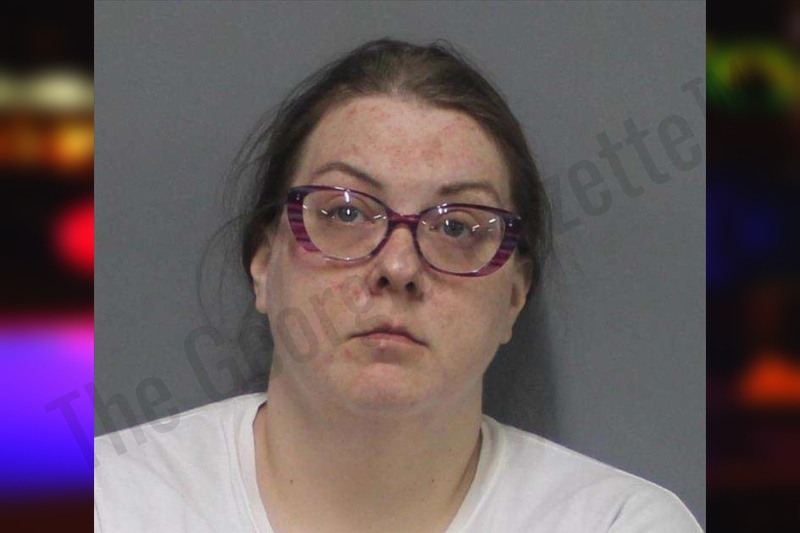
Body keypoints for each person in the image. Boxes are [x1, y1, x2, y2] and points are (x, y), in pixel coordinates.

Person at [94, 39, 703, 533]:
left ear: (515, 296)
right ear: (263, 261)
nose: (400, 267)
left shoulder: (618, 523)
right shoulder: (108, 501)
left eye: (458, 226)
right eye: (346, 212)